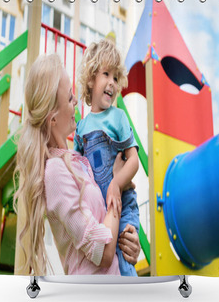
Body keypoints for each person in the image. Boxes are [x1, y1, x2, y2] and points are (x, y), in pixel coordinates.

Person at [13, 54, 140, 276]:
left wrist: (129, 241)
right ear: (52, 118)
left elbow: (109, 233)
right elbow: (103, 252)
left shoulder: (76, 161)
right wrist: (116, 188)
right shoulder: (54, 172)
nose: (75, 102)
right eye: (70, 98)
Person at [74, 39, 140, 276]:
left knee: (123, 264)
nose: (111, 83)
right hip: (99, 210)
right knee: (103, 268)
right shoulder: (81, 128)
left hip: (122, 203)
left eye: (115, 77)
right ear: (91, 78)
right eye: (106, 74)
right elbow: (77, 169)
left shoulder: (118, 117)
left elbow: (133, 160)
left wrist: (116, 183)